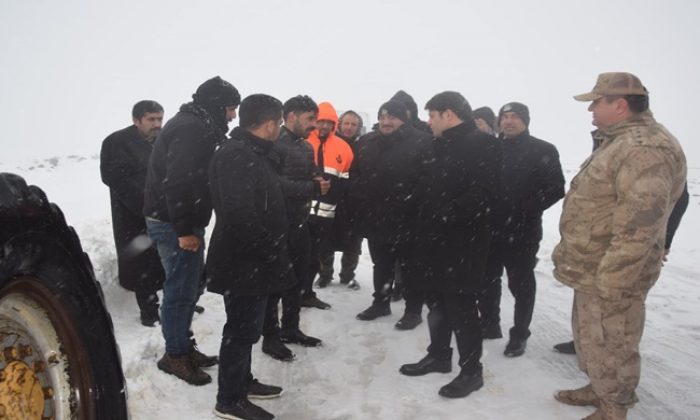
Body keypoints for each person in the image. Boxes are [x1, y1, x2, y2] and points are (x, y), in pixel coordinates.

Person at [552, 72, 687, 420]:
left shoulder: (644, 147)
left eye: (596, 102)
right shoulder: (618, 141)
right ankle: (599, 388)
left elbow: (641, 224)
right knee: (593, 338)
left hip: (613, 272)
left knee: (615, 342)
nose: (591, 110)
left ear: (620, 105)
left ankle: (614, 407)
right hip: (594, 266)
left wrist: (615, 278)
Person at [400, 91, 500, 399]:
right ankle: (439, 356)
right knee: (437, 302)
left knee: (461, 308)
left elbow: (484, 194)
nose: (428, 121)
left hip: (463, 244)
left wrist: (445, 214)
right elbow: (424, 184)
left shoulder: (484, 144)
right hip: (431, 241)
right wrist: (411, 203)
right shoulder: (436, 145)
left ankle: (471, 372)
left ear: (449, 114)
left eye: (432, 115)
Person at [144, 76, 240, 385]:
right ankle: (175, 356)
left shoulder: (195, 124)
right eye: (230, 108)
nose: (233, 116)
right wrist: (185, 229)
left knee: (187, 286)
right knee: (180, 290)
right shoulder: (191, 129)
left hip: (176, 219)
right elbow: (180, 181)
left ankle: (183, 347)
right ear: (215, 106)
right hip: (174, 223)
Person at [207, 94, 290, 420]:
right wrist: (269, 248)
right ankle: (229, 400)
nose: (280, 129)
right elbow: (239, 213)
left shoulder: (250, 152)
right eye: (280, 123)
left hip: (251, 261)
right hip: (243, 263)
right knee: (240, 332)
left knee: (245, 330)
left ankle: (242, 381)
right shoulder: (236, 155)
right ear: (270, 123)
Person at [478, 102, 565, 357]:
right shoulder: (489, 149)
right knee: (487, 281)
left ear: (525, 120)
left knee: (521, 284)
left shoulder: (543, 149)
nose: (509, 121)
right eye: (504, 117)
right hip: (489, 229)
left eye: (515, 117)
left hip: (522, 231)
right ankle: (490, 324)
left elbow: (555, 188)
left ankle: (519, 333)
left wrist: (525, 207)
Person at [350, 100, 431, 330]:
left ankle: (413, 311)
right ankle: (381, 303)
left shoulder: (422, 142)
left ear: (403, 119)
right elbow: (354, 172)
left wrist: (410, 200)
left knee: (410, 267)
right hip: (375, 216)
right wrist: (359, 190)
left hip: (409, 219)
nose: (386, 121)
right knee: (381, 264)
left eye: (392, 117)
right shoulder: (366, 141)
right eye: (382, 116)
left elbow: (428, 179)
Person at [261, 95, 328, 362]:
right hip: (277, 223)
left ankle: (291, 328)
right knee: (275, 281)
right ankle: (270, 336)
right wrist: (312, 187)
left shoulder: (305, 145)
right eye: (309, 119)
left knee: (299, 277)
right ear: (291, 116)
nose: (314, 125)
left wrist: (317, 178)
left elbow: (310, 171)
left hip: (300, 221)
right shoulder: (274, 144)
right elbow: (273, 185)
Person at [100, 100, 166, 327]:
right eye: (151, 119)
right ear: (136, 120)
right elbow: (114, 177)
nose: (157, 124)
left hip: (163, 212)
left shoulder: (163, 140)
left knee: (166, 257)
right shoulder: (117, 142)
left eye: (159, 118)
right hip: (132, 214)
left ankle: (174, 302)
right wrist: (144, 204)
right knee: (142, 262)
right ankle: (149, 310)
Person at [302, 101, 354, 310]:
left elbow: (346, 180)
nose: (324, 126)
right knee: (298, 257)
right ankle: (292, 294)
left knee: (317, 255)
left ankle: (307, 292)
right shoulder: (303, 142)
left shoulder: (344, 148)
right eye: (320, 121)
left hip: (326, 214)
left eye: (329, 122)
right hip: (300, 213)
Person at [317, 110, 364, 290]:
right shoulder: (326, 143)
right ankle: (325, 274)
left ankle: (347, 275)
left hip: (354, 201)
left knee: (353, 241)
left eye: (354, 124)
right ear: (340, 124)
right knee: (326, 238)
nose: (350, 127)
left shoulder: (363, 146)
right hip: (331, 198)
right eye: (346, 123)